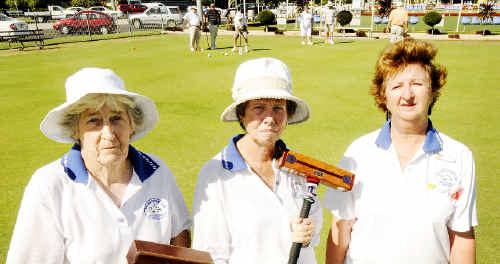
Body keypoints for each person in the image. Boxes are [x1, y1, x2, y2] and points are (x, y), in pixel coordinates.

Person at [6, 68, 191, 263]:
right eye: (94, 121)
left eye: (116, 118)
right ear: (75, 130)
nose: (109, 133)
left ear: (131, 124)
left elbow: (179, 234)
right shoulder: (48, 185)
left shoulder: (157, 171)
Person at [323, 39, 478, 264]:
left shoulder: (459, 156)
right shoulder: (357, 153)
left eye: (417, 83)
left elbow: (462, 236)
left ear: (432, 91)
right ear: (384, 96)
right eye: (396, 86)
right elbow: (340, 228)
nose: (407, 94)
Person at [192, 58, 322, 263]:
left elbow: (314, 235)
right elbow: (210, 255)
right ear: (242, 114)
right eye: (259, 107)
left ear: (288, 113)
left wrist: (307, 234)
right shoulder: (215, 175)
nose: (270, 118)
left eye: (278, 107)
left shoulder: (298, 168)